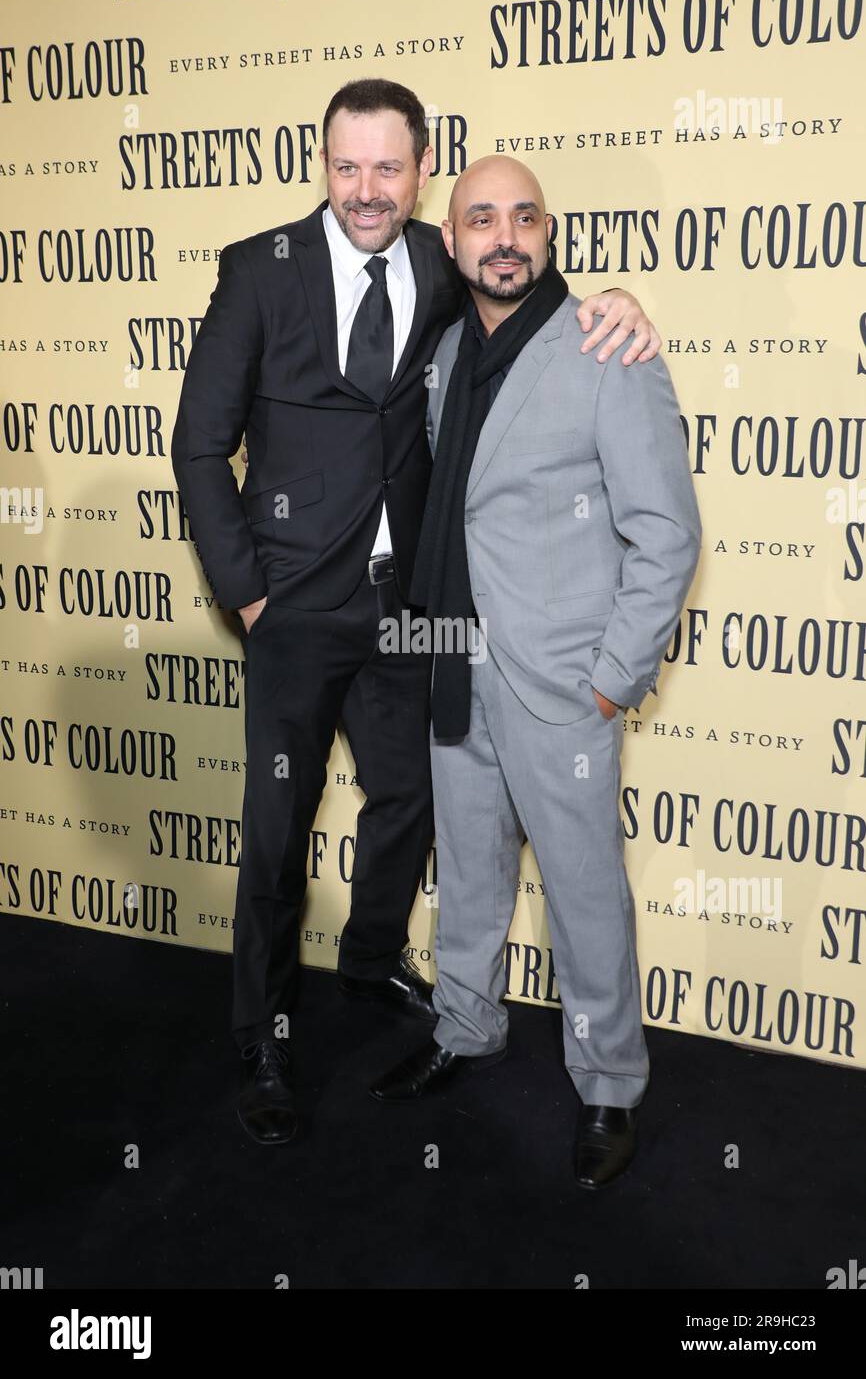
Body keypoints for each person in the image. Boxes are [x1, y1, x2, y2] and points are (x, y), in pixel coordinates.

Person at [171, 77, 661, 1148]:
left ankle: (368, 958)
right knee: (274, 834)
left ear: (419, 171)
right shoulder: (261, 272)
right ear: (322, 164)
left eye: (387, 167)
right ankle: (262, 1035)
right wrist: (249, 590)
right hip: (293, 608)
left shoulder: (442, 266)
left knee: (413, 801)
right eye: (346, 166)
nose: (364, 189)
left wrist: (615, 305)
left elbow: (526, 305)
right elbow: (199, 445)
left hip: (412, 616)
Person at [369, 156, 702, 1191]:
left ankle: (608, 1081)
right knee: (467, 872)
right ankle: (466, 1024)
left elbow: (666, 534)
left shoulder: (605, 346)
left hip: (560, 683)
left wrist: (608, 678)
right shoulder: (441, 352)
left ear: (545, 234)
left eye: (522, 218)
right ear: (451, 238)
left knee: (583, 893)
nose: (502, 236)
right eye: (480, 219)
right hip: (455, 661)